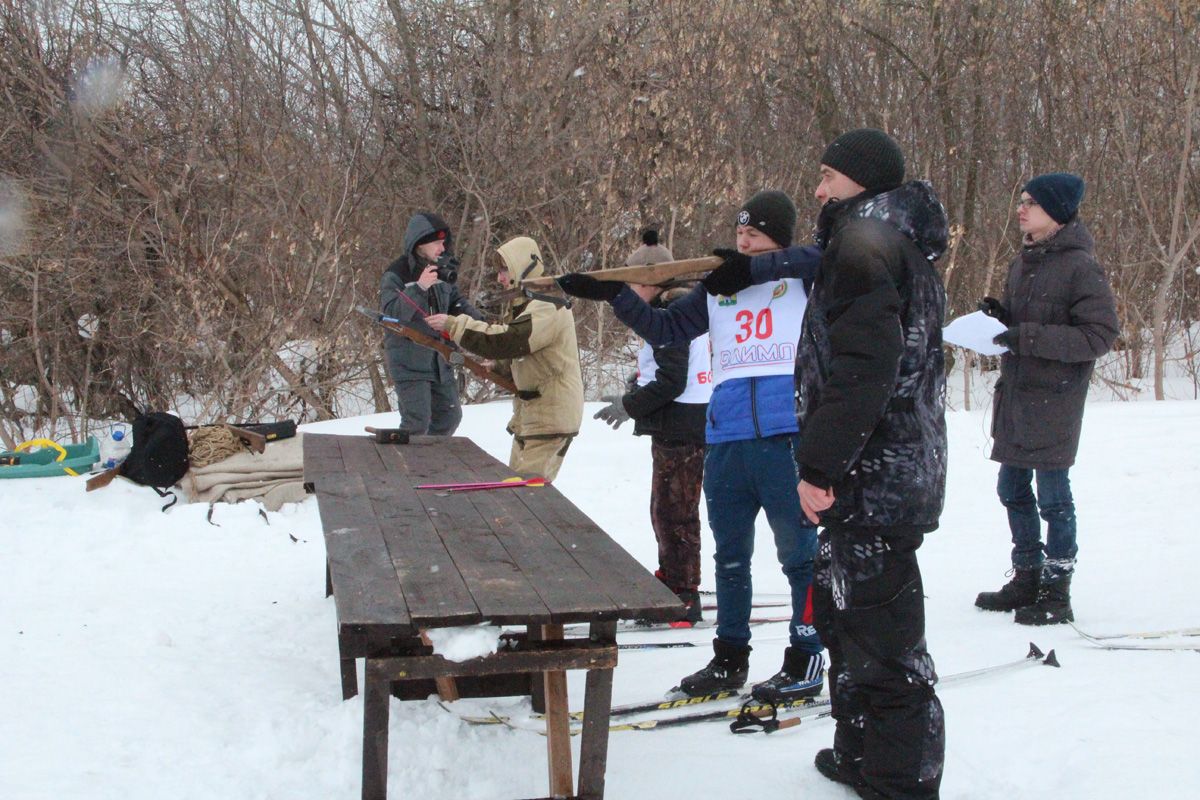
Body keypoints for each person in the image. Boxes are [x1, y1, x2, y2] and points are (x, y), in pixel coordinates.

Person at [707, 129, 949, 798]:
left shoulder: (867, 246)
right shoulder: (881, 244)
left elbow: (863, 371)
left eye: (829, 178)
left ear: (863, 183)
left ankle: (902, 781)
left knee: (884, 643)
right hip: (878, 471)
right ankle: (861, 754)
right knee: (846, 624)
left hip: (875, 476)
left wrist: (816, 468)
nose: (817, 190)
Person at [558, 191, 826, 704]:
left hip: (784, 438)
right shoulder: (717, 289)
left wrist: (757, 268)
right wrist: (613, 294)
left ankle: (806, 653)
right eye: (740, 232)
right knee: (730, 557)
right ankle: (729, 657)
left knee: (800, 557)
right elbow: (665, 328)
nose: (743, 241)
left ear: (778, 241)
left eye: (755, 235)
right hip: (724, 438)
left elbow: (831, 254)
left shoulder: (803, 279)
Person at [975, 172, 1119, 626]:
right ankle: (1027, 576)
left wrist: (1027, 335)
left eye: (1031, 202)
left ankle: (1057, 590)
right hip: (1017, 397)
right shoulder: (1024, 262)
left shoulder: (1080, 266)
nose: (1021, 208)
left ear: (1055, 213)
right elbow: (1026, 326)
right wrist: (1000, 319)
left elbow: (1099, 334)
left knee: (1054, 498)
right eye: (1021, 199)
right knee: (1011, 488)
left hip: (1054, 401)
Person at [594, 232, 712, 625]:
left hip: (685, 424)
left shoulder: (673, 309)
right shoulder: (675, 305)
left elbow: (673, 378)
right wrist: (636, 385)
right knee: (666, 509)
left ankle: (683, 594)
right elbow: (665, 368)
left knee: (675, 512)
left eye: (631, 284)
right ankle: (672, 579)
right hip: (679, 421)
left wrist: (630, 406)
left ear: (649, 281)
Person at [426, 236, 582, 481]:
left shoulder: (548, 306)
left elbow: (509, 341)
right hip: (533, 418)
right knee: (518, 491)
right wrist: (498, 367)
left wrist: (455, 325)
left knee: (527, 497)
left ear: (523, 267)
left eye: (505, 269)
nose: (499, 278)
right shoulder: (527, 303)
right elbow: (525, 355)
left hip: (550, 419)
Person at [379, 212, 482, 436]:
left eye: (444, 243)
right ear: (420, 244)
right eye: (436, 243)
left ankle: (433, 464)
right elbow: (390, 315)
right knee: (417, 423)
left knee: (449, 417)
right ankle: (409, 467)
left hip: (440, 361)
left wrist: (480, 324)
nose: (442, 248)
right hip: (409, 363)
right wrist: (419, 287)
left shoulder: (442, 271)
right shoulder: (396, 274)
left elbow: (456, 303)